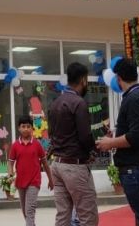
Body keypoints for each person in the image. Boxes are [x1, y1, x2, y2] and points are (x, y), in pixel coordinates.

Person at [96, 58, 139, 226]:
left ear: (118, 78)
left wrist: (110, 143)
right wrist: (116, 137)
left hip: (136, 169)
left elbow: (136, 136)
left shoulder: (134, 99)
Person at [48, 62, 99, 226]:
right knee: (88, 216)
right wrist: (94, 150)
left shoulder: (55, 103)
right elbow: (85, 136)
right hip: (74, 166)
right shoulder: (79, 103)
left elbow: (51, 134)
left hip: (57, 165)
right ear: (83, 80)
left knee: (63, 216)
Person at [9, 115, 54, 226]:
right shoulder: (15, 145)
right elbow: (10, 162)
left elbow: (45, 163)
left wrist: (51, 179)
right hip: (20, 182)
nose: (26, 129)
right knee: (25, 211)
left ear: (32, 128)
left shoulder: (37, 144)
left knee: (29, 210)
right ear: (19, 128)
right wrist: (10, 173)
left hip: (34, 181)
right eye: (23, 126)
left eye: (28, 126)